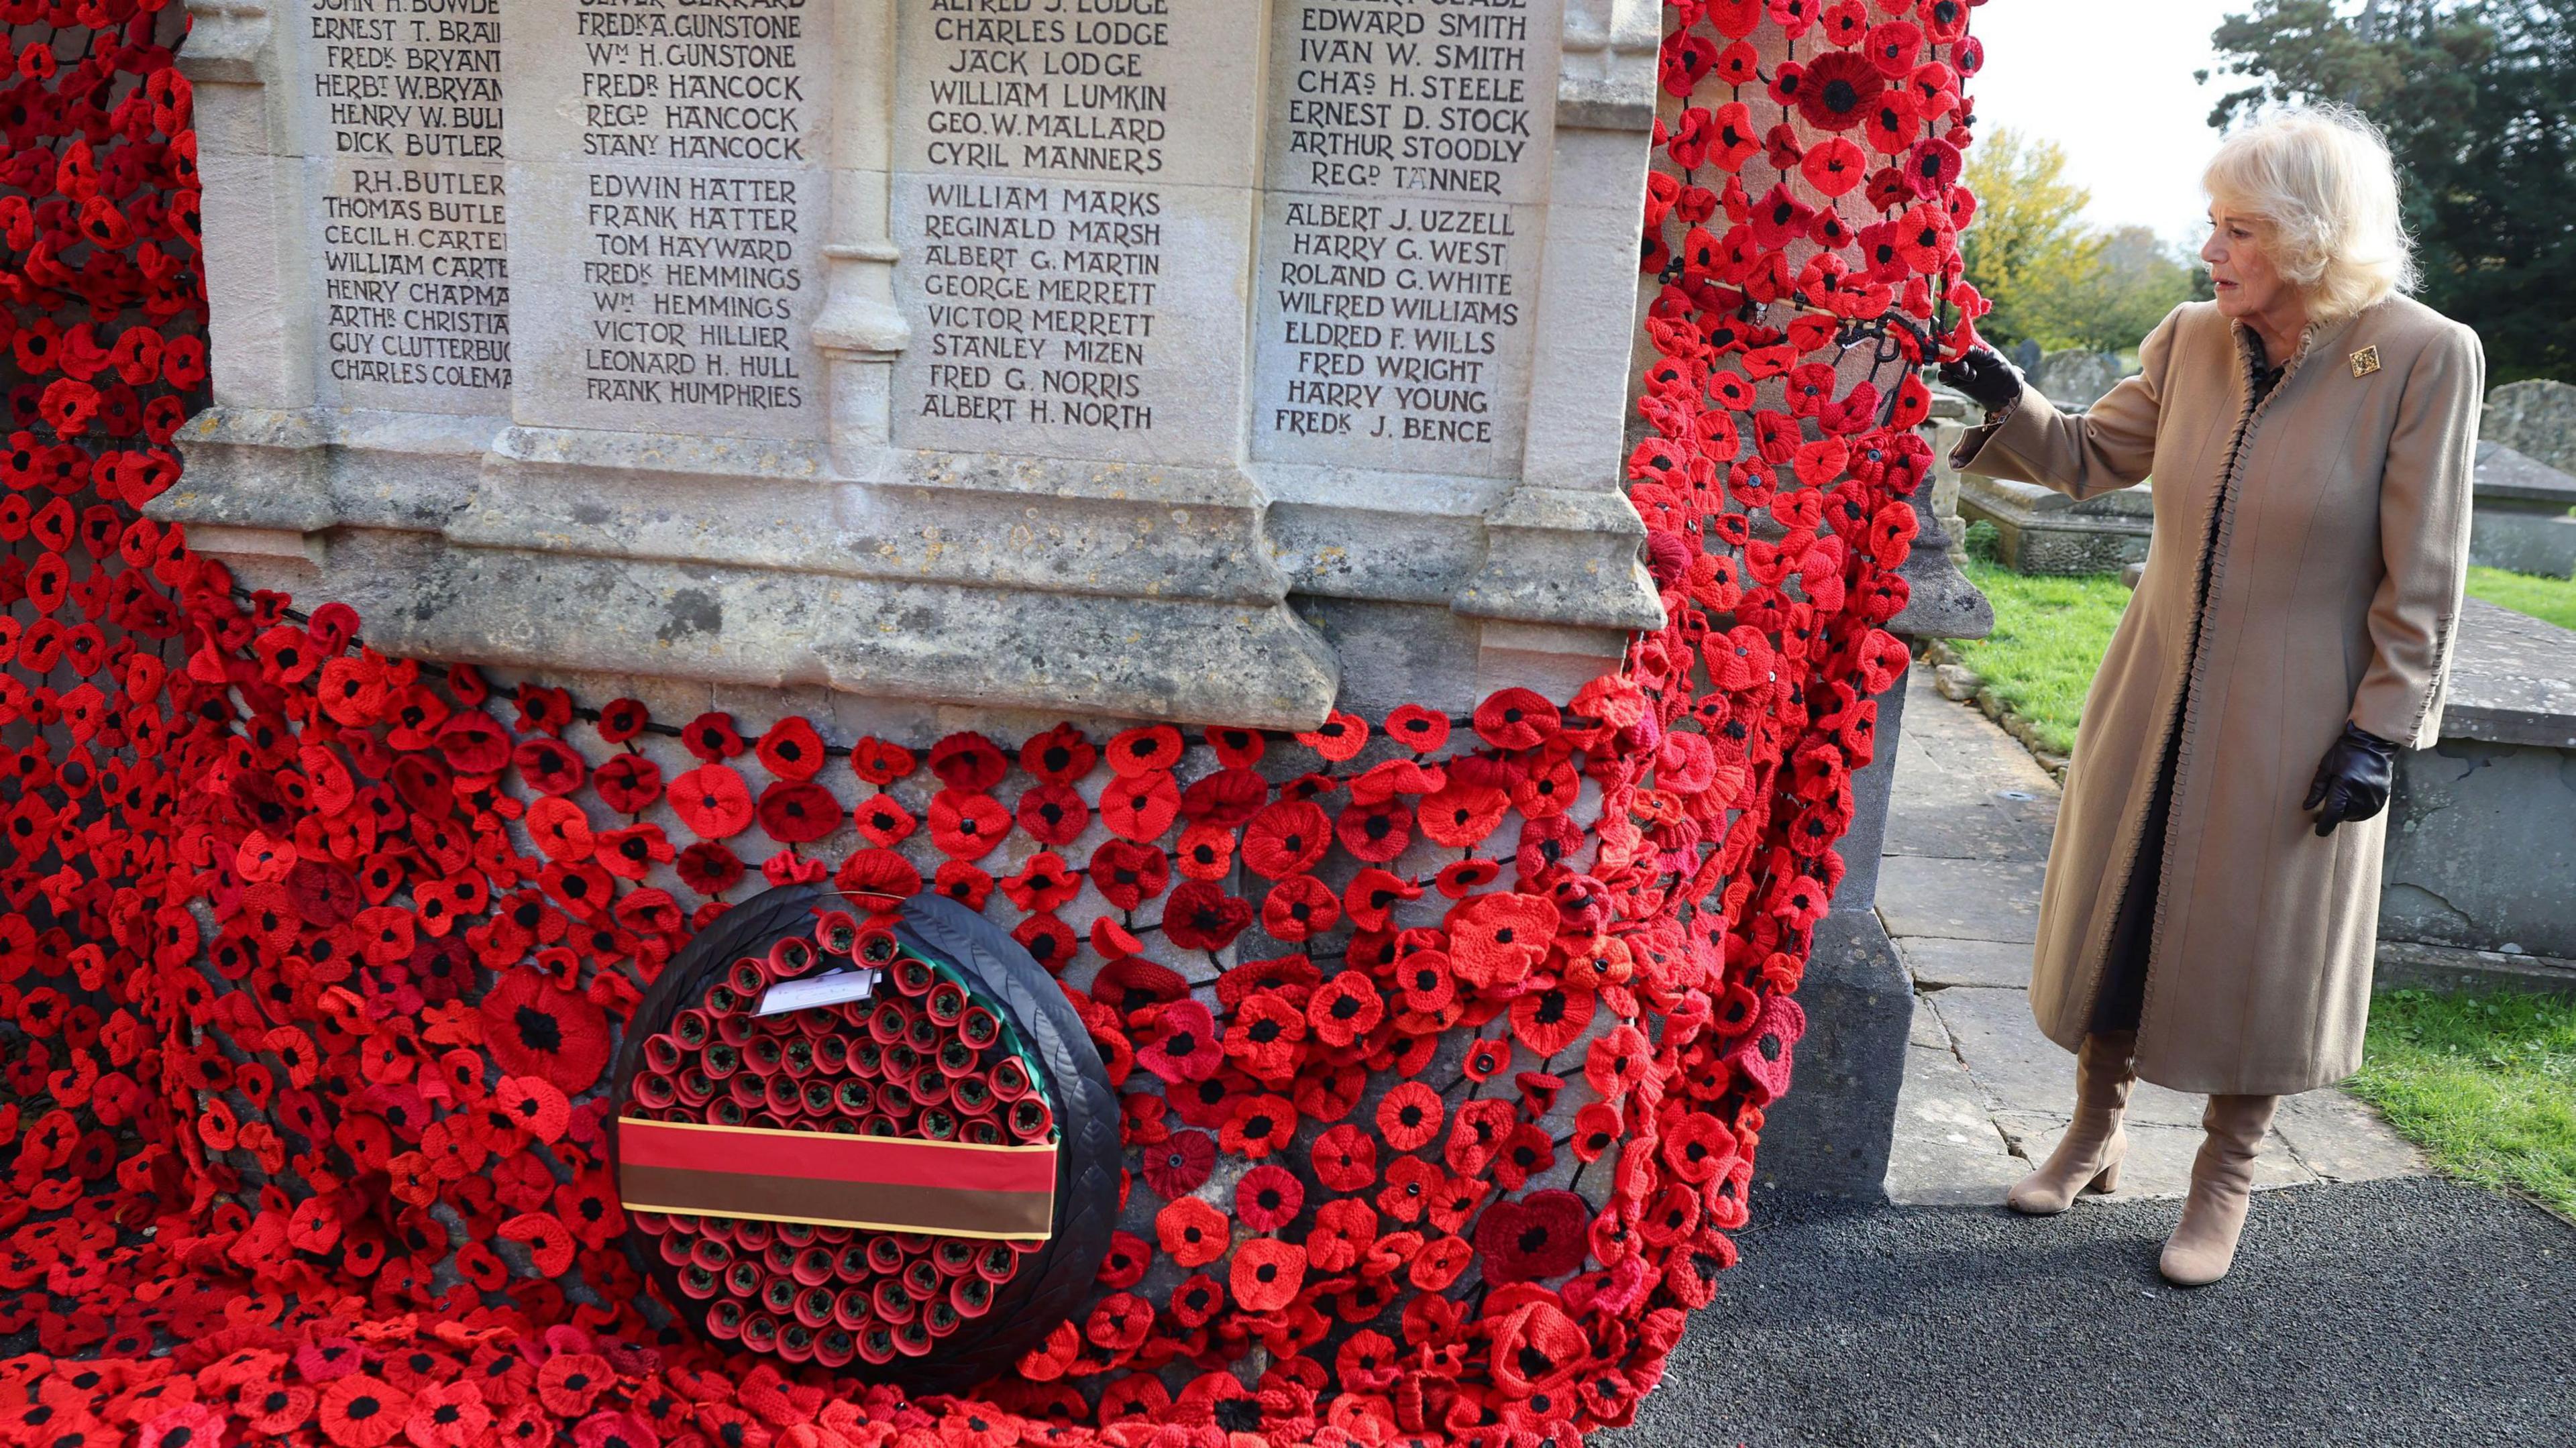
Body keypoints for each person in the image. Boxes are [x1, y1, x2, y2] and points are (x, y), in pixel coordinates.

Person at [1937, 105, 2483, 1286]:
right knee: (2116, 915)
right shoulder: (2189, 337)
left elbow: (2425, 570)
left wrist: (2379, 732)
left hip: (2305, 707)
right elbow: (2085, 457)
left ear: (2311, 237)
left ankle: (2226, 1176)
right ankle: (2094, 1132)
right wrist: (2002, 391)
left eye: (2239, 228)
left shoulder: (2425, 354)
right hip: (2153, 681)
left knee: (2263, 946)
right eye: (2213, 223)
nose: (2213, 248)